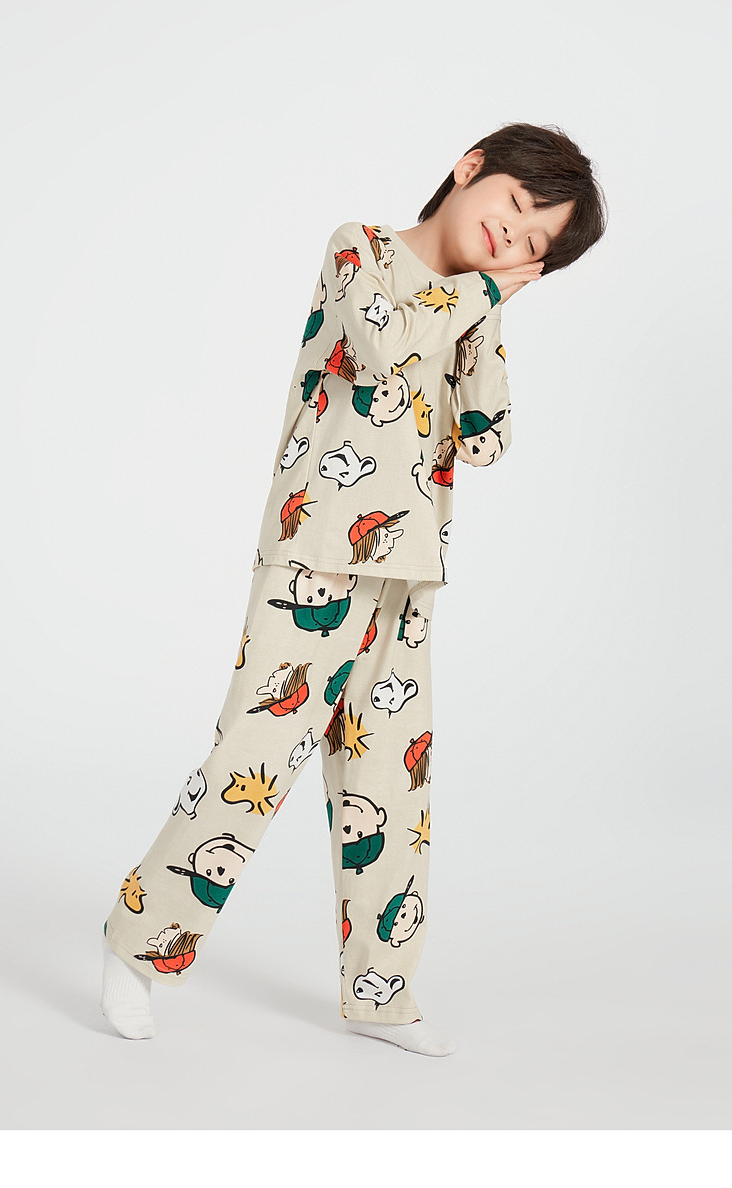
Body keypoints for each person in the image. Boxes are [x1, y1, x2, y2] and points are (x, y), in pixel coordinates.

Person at [100, 122, 607, 1056]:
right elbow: (382, 346)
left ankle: (381, 994)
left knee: (390, 792)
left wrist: (489, 314)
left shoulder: (472, 304)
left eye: (536, 240)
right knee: (252, 762)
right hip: (314, 558)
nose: (515, 233)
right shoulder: (359, 248)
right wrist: (478, 294)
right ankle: (137, 945)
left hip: (408, 571)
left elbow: (488, 436)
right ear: (470, 169)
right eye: (517, 204)